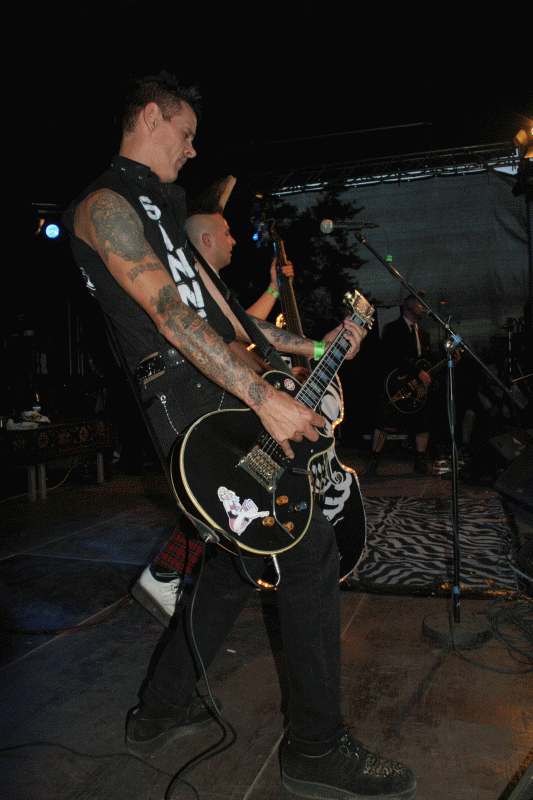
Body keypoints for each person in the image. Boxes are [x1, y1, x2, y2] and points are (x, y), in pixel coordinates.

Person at [63, 72, 415, 800]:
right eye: (186, 133)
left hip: (223, 393)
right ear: (151, 116)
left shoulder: (165, 213)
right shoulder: (105, 205)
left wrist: (316, 347)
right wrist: (262, 397)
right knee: (307, 552)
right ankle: (314, 749)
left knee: (234, 562)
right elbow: (168, 316)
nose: (193, 150)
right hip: (192, 411)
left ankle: (159, 712)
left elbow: (231, 320)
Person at [133, 199, 296, 627]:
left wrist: (274, 294)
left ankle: (171, 572)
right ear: (205, 240)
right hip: (194, 390)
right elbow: (233, 338)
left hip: (211, 387)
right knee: (222, 487)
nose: (234, 240)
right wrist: (281, 366)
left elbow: (241, 330)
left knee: (227, 489)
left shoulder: (212, 286)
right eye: (226, 233)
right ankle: (168, 573)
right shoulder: (189, 282)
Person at [365, 292, 433, 476]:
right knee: (384, 422)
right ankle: (374, 461)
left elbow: (426, 361)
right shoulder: (393, 328)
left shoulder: (423, 334)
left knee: (422, 423)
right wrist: (416, 372)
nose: (423, 308)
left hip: (416, 389)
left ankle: (420, 461)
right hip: (396, 384)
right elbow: (392, 354)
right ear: (409, 305)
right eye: (419, 304)